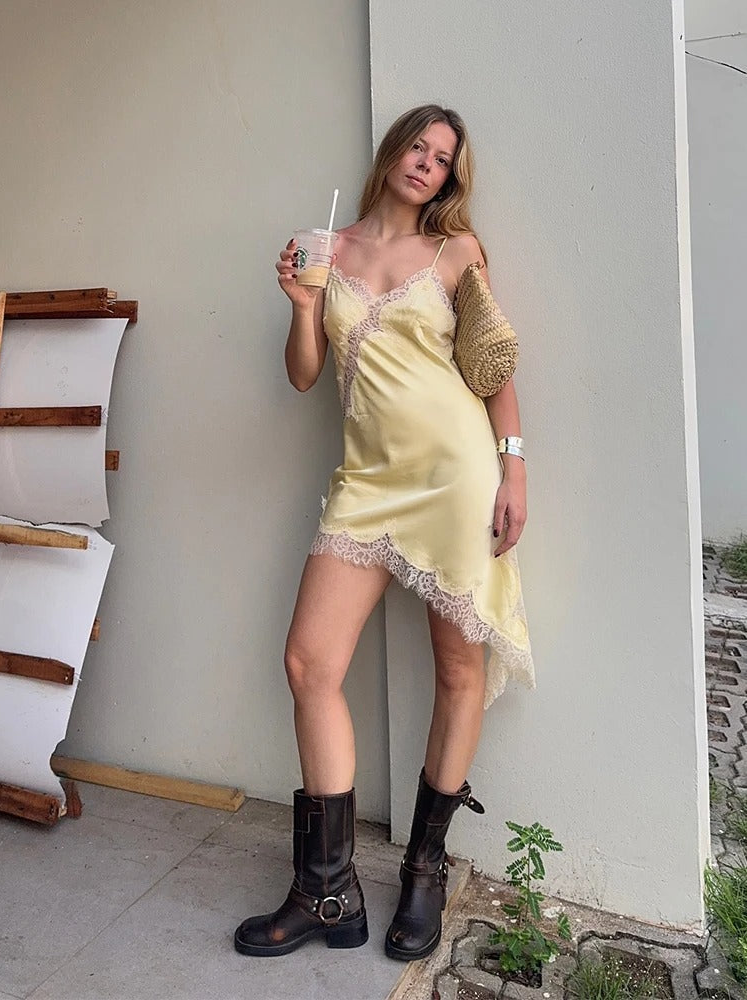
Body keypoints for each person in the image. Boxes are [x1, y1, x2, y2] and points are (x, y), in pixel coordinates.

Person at [234, 104, 535, 962]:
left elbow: (492, 368)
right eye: (418, 146)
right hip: (366, 482)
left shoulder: (456, 252)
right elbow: (304, 376)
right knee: (309, 664)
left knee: (457, 669)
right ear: (394, 149)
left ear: (447, 179)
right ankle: (327, 892)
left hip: (454, 477)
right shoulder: (328, 250)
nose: (426, 164)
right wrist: (303, 304)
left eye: (442, 159)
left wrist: (514, 470)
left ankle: (424, 873)